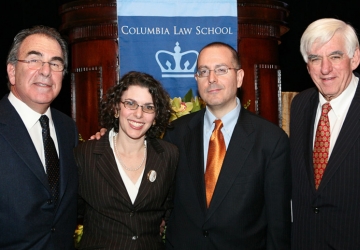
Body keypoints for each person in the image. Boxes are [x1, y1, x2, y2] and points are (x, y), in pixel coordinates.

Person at [163, 42, 291, 249]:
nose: (211, 78)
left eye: (221, 70)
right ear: (197, 80)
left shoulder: (271, 140)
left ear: (239, 77)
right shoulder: (175, 133)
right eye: (203, 71)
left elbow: (278, 223)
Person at [74, 71, 179, 249]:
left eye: (148, 107)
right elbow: (73, 212)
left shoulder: (168, 154)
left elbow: (169, 207)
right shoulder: (85, 155)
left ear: (155, 117)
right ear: (116, 108)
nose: (139, 114)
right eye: (130, 104)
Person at [0, 26, 78, 249]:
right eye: (34, 60)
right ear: (12, 71)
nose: (46, 71)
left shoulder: (67, 128)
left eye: (55, 63)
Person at [290, 18, 360, 249]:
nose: (325, 68)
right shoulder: (300, 104)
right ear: (307, 65)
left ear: (355, 58)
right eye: (315, 58)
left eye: (335, 56)